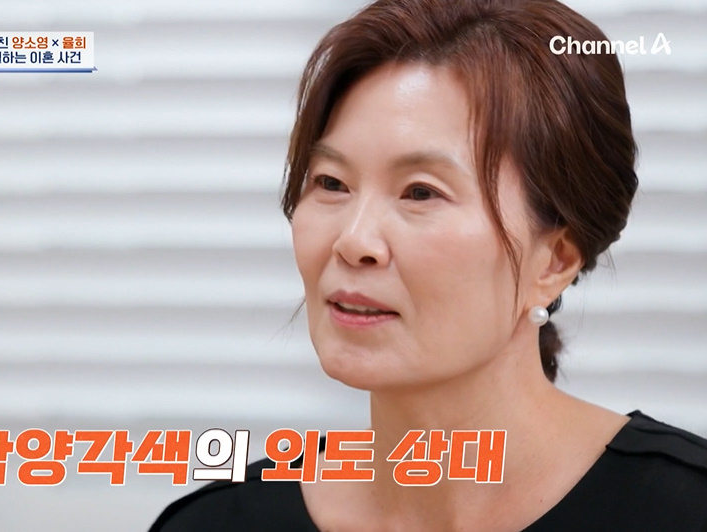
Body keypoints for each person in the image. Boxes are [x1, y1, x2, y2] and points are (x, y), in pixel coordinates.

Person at [150, 0, 707, 530]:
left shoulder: (682, 511)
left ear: (554, 262)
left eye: (420, 192)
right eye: (332, 183)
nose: (354, 240)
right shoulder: (216, 522)